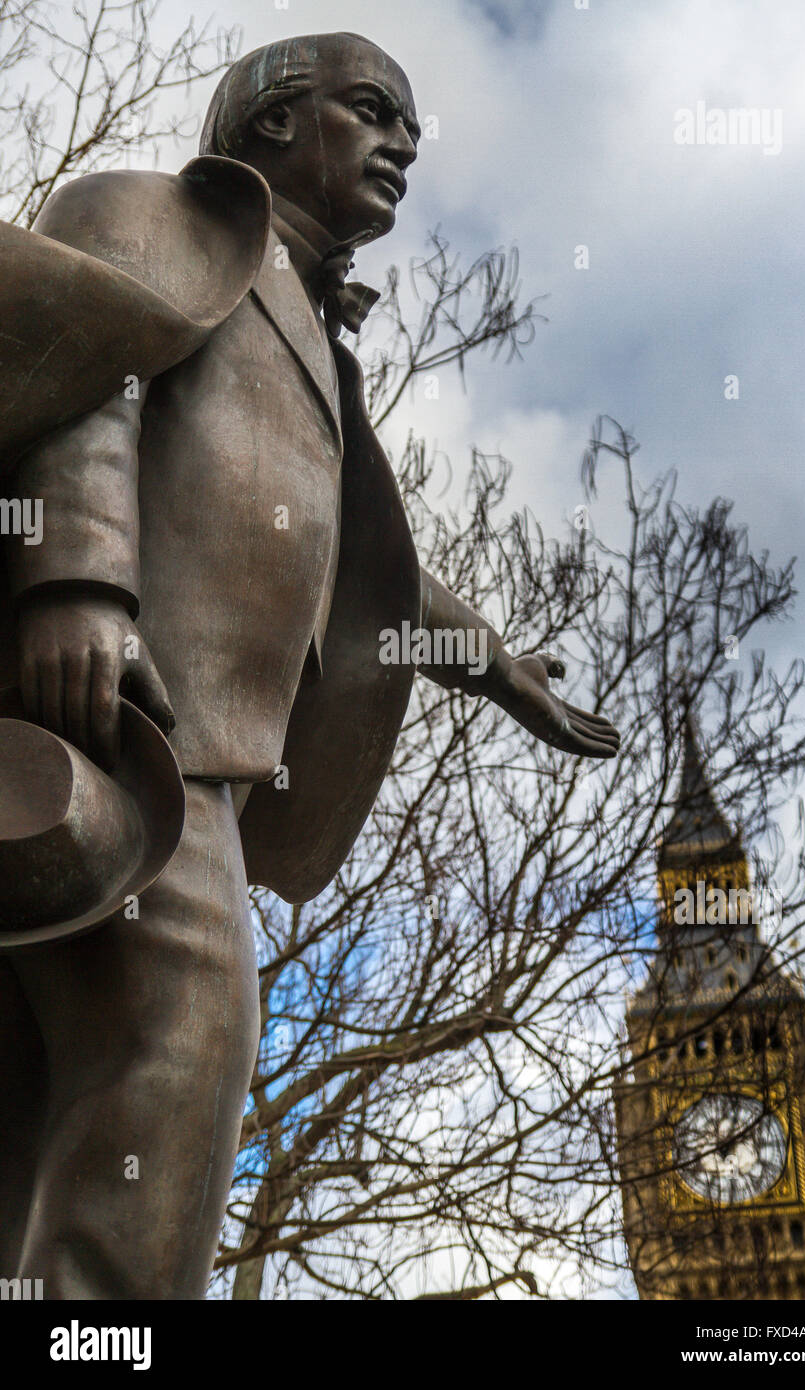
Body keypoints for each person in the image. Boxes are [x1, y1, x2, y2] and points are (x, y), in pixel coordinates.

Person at [0, 32, 619, 1299]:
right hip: (122, 722)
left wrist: (495, 663)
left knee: (43, 1101)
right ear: (276, 122)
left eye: (409, 128)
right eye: (373, 111)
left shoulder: (314, 345)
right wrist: (75, 581)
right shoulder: (145, 214)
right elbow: (84, 369)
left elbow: (363, 571)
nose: (400, 144)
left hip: (197, 755)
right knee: (183, 1047)